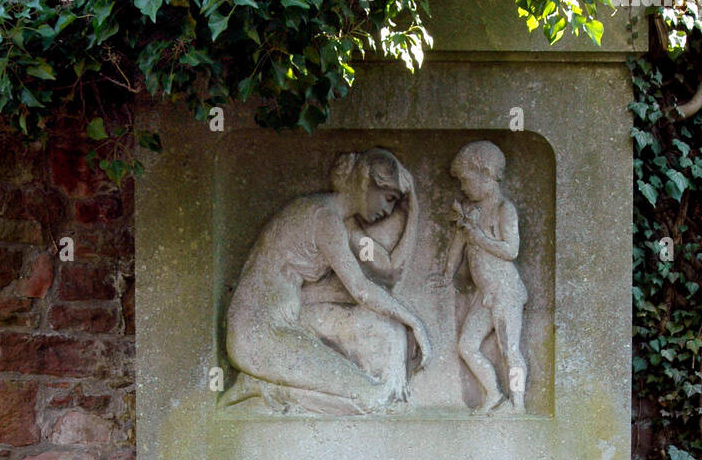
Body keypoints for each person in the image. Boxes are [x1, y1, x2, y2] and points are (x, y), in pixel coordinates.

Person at [223, 148, 431, 415]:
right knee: (372, 396)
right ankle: (264, 388)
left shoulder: (343, 224)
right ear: (366, 182)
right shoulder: (325, 220)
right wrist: (413, 322)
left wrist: (414, 210)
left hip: (285, 328)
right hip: (258, 335)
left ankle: (267, 384)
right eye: (389, 198)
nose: (389, 210)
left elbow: (389, 270)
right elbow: (361, 290)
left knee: (369, 390)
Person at [432, 141, 527, 414]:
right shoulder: (470, 211)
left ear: (486, 174)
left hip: (505, 291)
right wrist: (447, 274)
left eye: (466, 180)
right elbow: (457, 246)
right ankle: (494, 394)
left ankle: (517, 403)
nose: (462, 187)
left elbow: (511, 250)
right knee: (467, 346)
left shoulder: (503, 210)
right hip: (484, 295)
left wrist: (480, 237)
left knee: (509, 349)